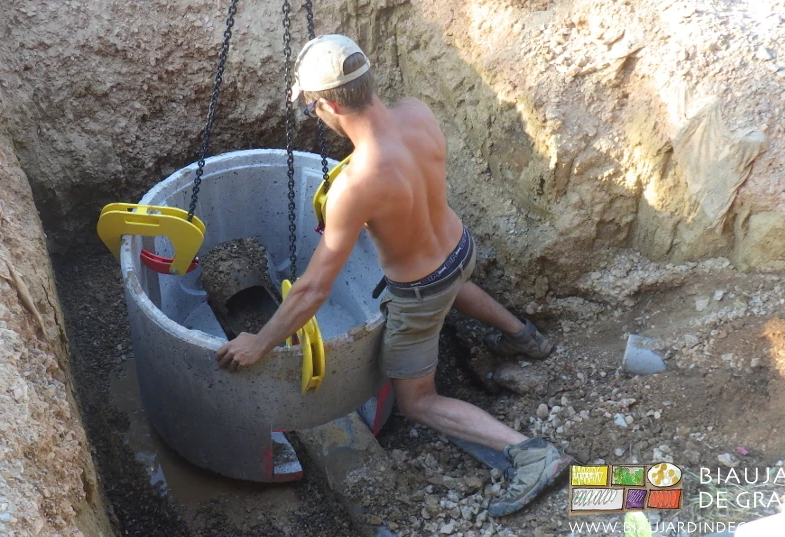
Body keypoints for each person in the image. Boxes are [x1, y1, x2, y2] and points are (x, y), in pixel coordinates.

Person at [215, 34, 571, 516]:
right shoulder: (417, 113)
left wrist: (260, 342)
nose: (314, 115)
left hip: (422, 292)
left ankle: (531, 455)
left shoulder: (356, 186)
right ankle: (526, 338)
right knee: (457, 283)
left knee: (417, 401)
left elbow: (313, 289)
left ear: (331, 105)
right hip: (460, 249)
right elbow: (407, 186)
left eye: (312, 107)